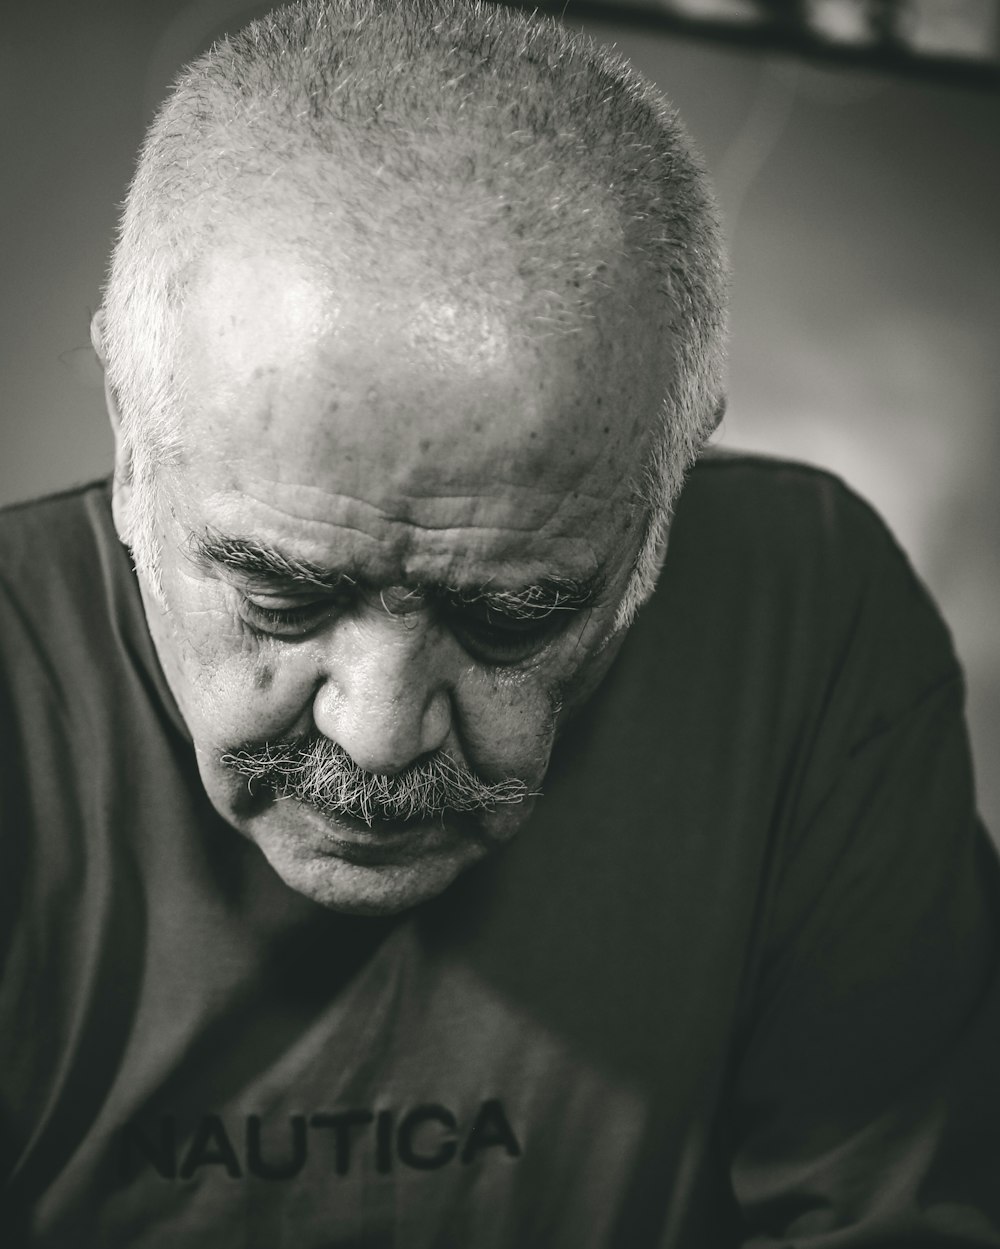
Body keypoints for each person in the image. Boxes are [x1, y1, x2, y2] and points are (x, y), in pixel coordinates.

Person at [1, 0, 998, 1244]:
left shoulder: (808, 615)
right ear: (130, 441)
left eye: (514, 618)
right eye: (283, 593)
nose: (375, 734)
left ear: (665, 486)